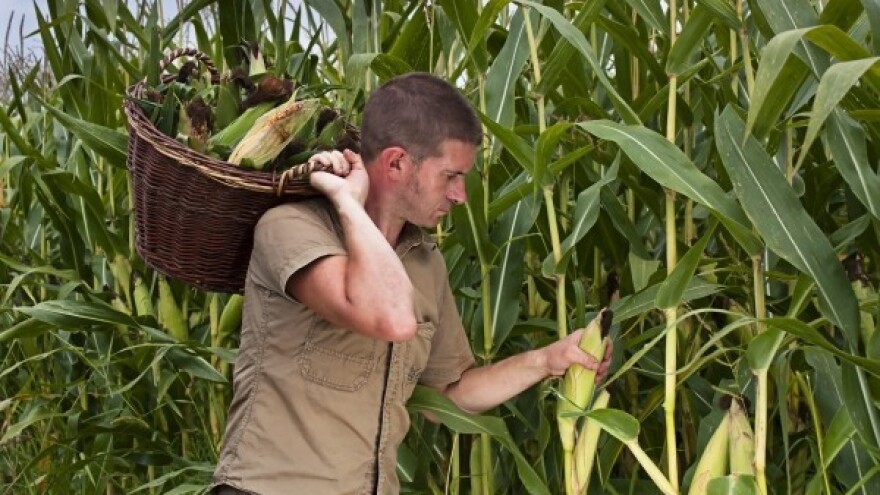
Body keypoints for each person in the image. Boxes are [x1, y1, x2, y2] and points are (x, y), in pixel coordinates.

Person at [212, 72, 613, 495]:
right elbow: (391, 317)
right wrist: (348, 202)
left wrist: (548, 361)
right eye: (451, 176)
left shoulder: (425, 263)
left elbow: (448, 394)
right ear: (397, 163)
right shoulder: (291, 230)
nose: (461, 195)